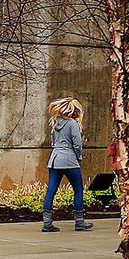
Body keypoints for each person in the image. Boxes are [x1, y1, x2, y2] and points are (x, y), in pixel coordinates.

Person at [42, 97, 93, 232]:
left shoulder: (55, 123)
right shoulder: (72, 124)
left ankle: (47, 223)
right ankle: (79, 222)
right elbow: (77, 144)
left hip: (54, 159)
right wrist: (79, 157)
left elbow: (53, 141)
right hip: (69, 159)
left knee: (51, 190)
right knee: (78, 189)